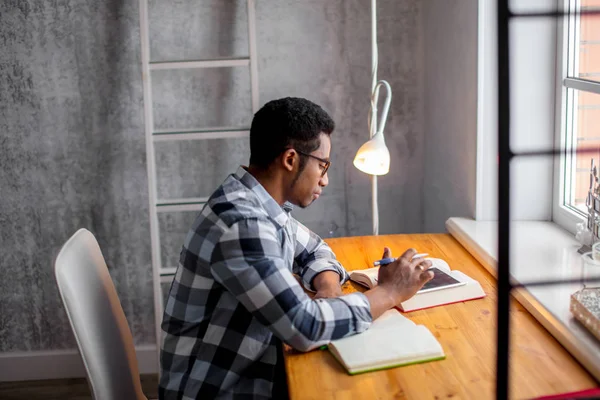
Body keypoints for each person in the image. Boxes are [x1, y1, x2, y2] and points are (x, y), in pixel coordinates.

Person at [159, 97, 433, 400]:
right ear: (290, 160)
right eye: (323, 165)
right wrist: (390, 292)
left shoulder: (255, 202)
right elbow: (306, 327)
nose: (326, 180)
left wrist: (328, 287)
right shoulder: (242, 223)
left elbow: (315, 248)